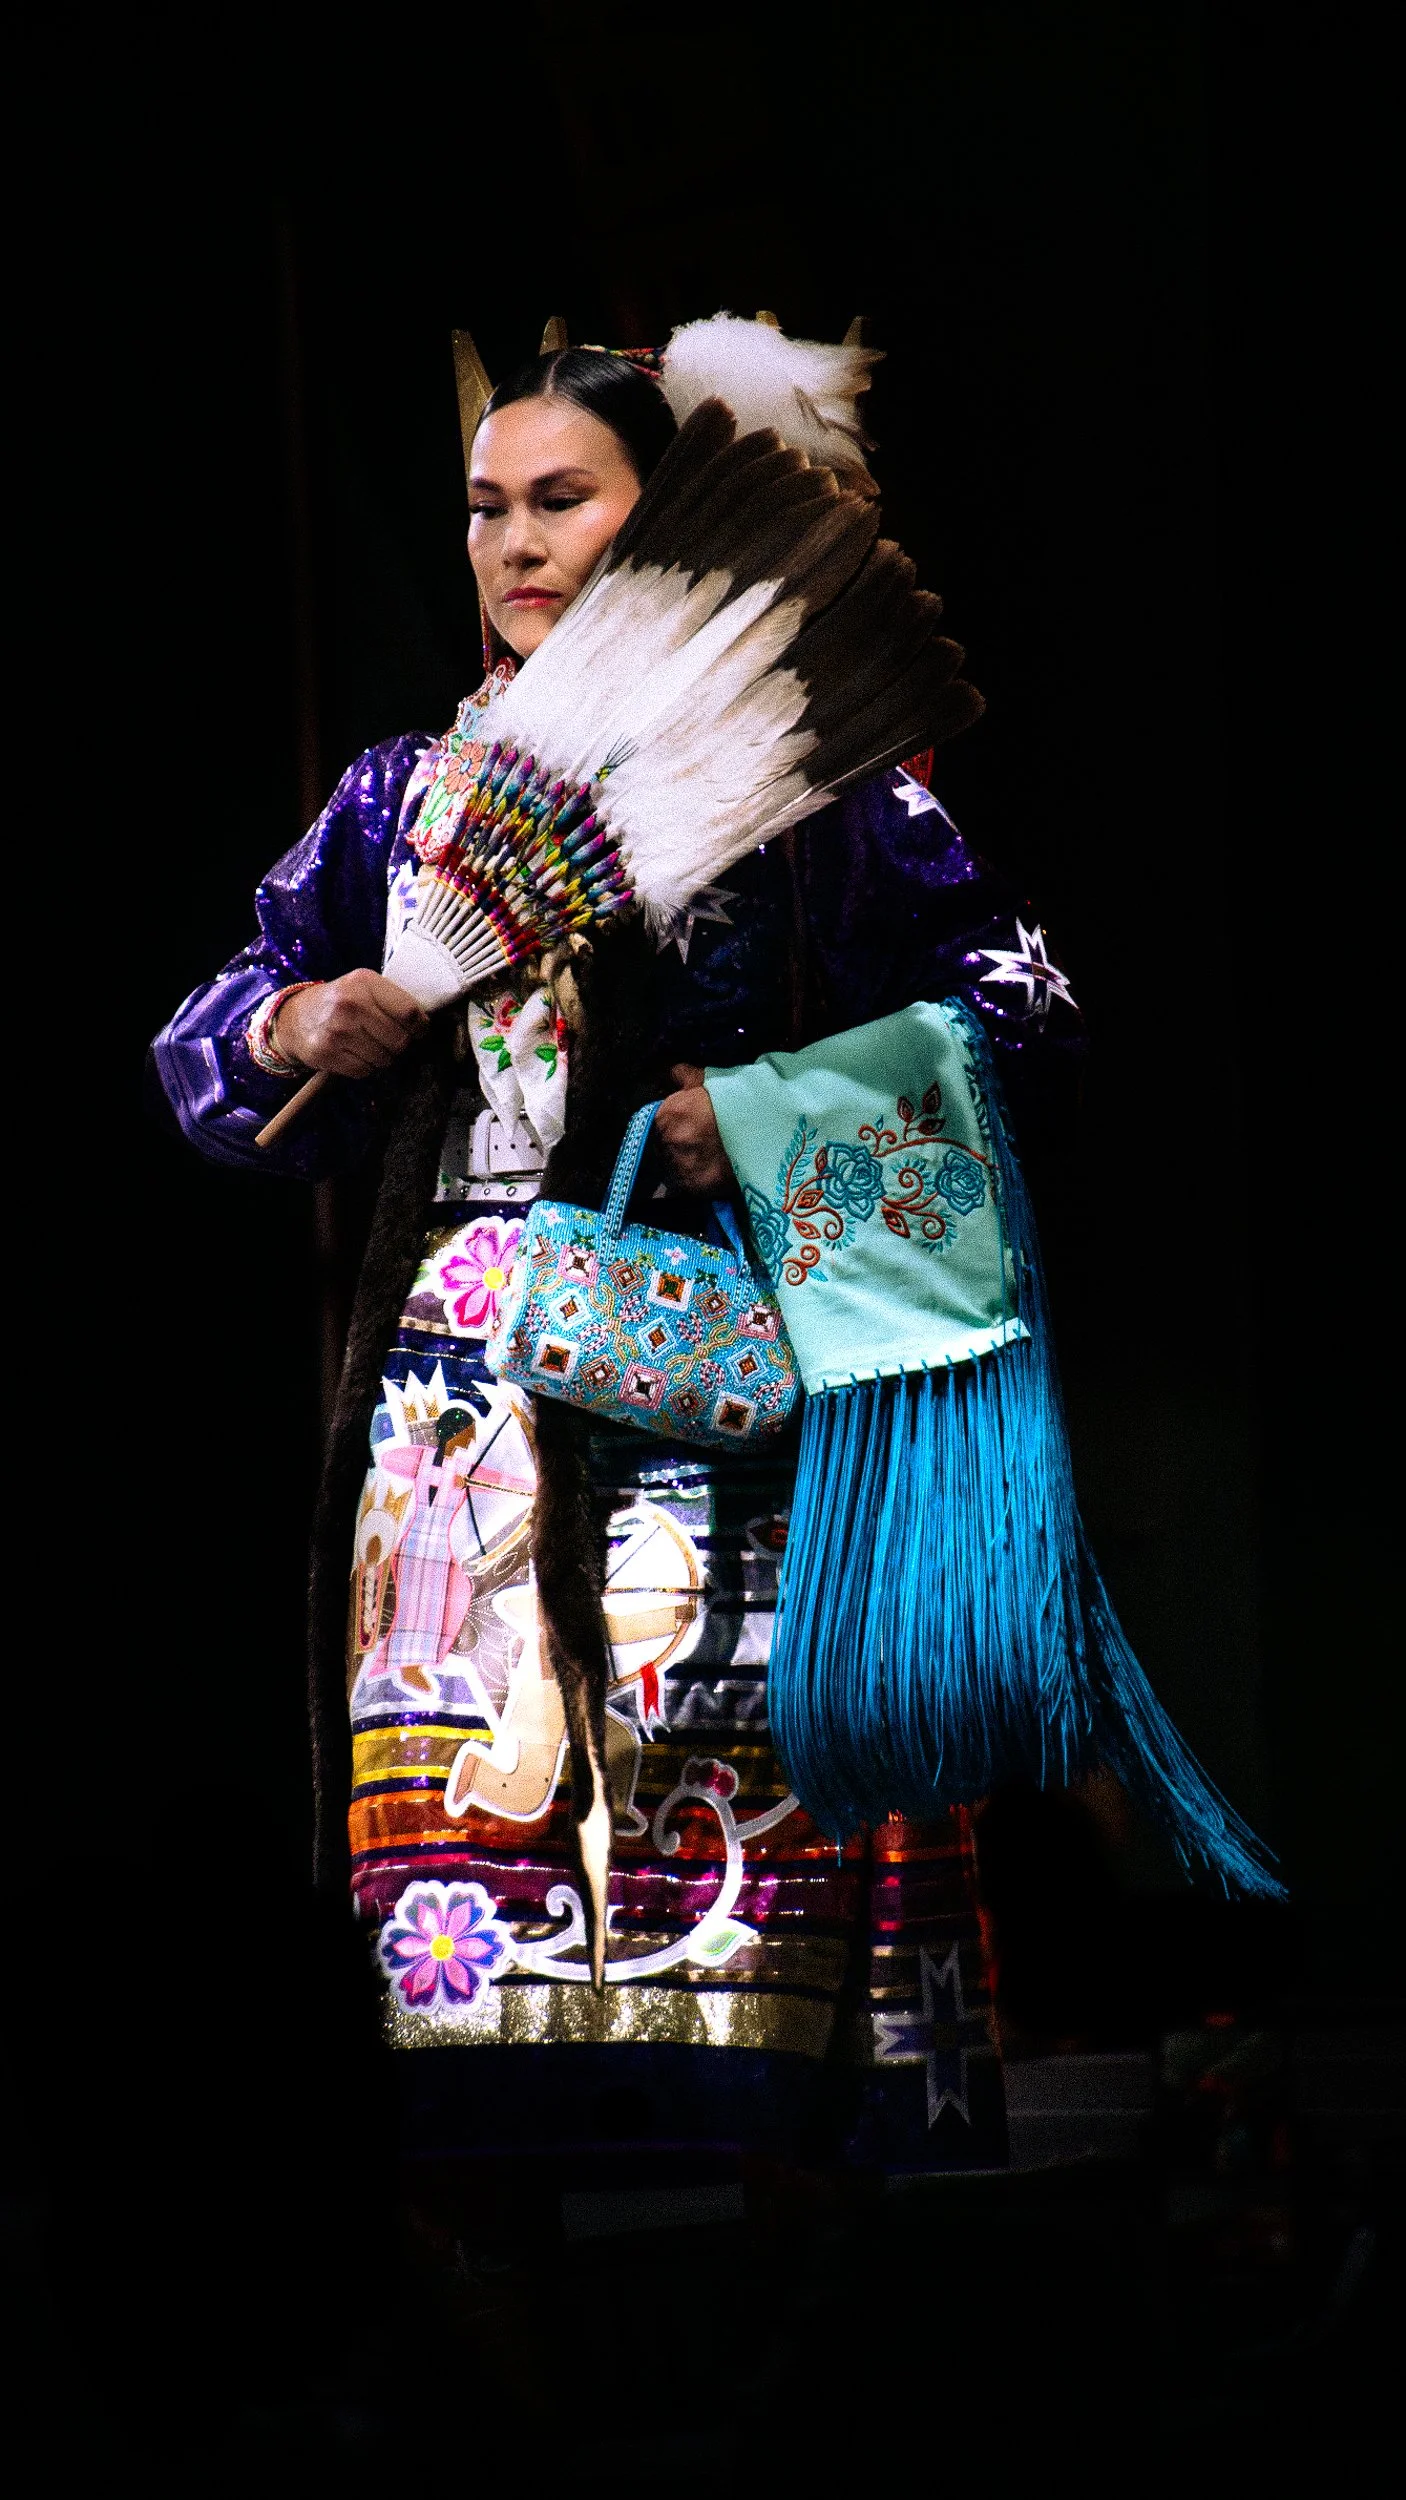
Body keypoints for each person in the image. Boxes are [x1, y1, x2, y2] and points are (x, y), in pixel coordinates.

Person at [150, 326, 1188, 2180]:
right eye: (486, 507)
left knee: (756, 1903)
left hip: (730, 1397)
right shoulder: (403, 798)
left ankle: (790, 2266)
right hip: (461, 1422)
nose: (513, 543)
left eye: (562, 501)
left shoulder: (821, 791)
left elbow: (1030, 1026)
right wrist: (300, 1021)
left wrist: (772, 1117)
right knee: (468, 1890)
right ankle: (494, 2248)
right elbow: (204, 1045)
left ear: (673, 517)